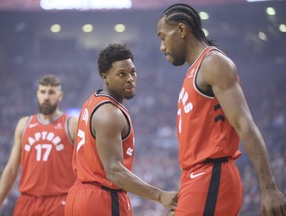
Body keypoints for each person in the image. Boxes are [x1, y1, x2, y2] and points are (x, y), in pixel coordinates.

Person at [157, 3, 286, 216]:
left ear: (181, 30)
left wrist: (269, 187)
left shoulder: (213, 62)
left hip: (212, 176)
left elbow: (244, 123)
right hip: (195, 179)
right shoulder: (194, 71)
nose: (162, 46)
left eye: (163, 37)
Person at [64, 43, 177, 216]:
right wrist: (160, 195)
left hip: (79, 196)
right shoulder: (110, 114)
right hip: (102, 199)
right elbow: (114, 172)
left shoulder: (93, 100)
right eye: (121, 74)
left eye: (132, 72)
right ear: (105, 77)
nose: (130, 78)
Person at [0, 74, 78, 216]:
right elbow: (11, 169)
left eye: (51, 92)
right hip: (27, 201)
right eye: (42, 92)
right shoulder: (24, 124)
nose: (46, 97)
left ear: (60, 96)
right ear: (37, 94)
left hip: (60, 201)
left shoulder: (71, 124)